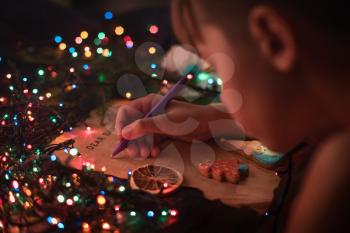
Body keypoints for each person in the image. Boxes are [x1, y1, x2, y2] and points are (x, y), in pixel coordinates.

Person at [115, 0, 350, 232]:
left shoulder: (338, 172)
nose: (224, 97)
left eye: (218, 68)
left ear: (275, 40)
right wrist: (213, 118)